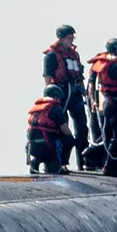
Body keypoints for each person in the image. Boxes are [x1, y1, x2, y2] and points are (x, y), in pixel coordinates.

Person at [42, 26, 88, 171]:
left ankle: (84, 161)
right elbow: (48, 78)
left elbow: (79, 75)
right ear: (61, 38)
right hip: (60, 94)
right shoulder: (51, 56)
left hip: (75, 94)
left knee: (82, 127)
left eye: (72, 38)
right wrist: (50, 99)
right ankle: (62, 163)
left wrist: (84, 91)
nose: (71, 40)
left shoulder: (75, 54)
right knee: (62, 127)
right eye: (69, 38)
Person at [88, 37, 117, 176]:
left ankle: (103, 161)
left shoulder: (101, 65)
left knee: (108, 134)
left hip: (106, 103)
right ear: (116, 51)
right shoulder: (115, 67)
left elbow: (91, 83)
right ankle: (110, 165)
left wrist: (92, 100)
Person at [26, 86, 75, 174]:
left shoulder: (36, 109)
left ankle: (35, 161)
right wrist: (73, 139)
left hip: (32, 147)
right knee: (69, 139)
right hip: (48, 146)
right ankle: (62, 164)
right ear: (55, 96)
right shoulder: (56, 109)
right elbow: (65, 130)